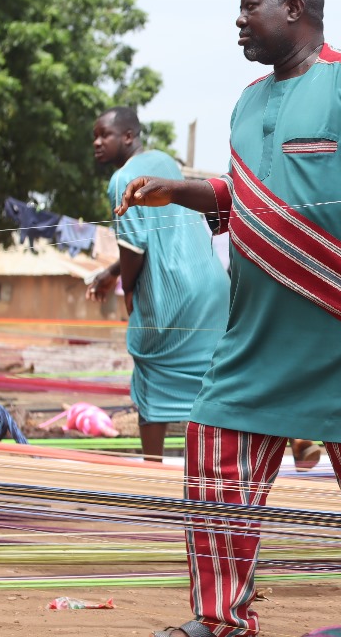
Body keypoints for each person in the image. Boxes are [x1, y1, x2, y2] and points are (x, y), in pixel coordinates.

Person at [118, 0, 341, 637]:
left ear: (296, 9)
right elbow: (245, 198)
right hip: (255, 341)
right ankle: (219, 620)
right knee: (213, 465)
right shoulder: (246, 102)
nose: (240, 21)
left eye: (252, 7)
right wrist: (179, 190)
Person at [84, 108, 232, 459]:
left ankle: (151, 471)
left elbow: (135, 247)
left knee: (150, 369)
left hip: (171, 294)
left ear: (129, 136)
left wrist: (129, 288)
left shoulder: (122, 181)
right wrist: (110, 273)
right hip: (213, 284)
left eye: (104, 134)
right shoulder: (165, 163)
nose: (97, 143)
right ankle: (288, 442)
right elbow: (161, 237)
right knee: (221, 375)